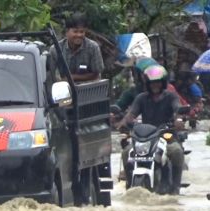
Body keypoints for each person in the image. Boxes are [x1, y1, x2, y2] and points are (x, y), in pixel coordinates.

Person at [117, 64, 185, 194]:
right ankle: (128, 183)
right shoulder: (141, 98)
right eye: (152, 83)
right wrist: (124, 122)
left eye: (158, 83)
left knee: (176, 152)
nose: (155, 85)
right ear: (147, 84)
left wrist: (178, 120)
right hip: (146, 137)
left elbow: (178, 109)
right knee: (126, 152)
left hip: (167, 136)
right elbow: (132, 113)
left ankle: (176, 187)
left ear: (163, 83)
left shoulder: (171, 97)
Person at [49, 12, 104, 82]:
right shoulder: (55, 49)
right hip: (64, 89)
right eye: (75, 32)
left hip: (89, 88)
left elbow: (96, 74)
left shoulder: (93, 47)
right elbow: (50, 74)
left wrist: (72, 77)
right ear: (66, 32)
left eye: (82, 32)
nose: (79, 35)